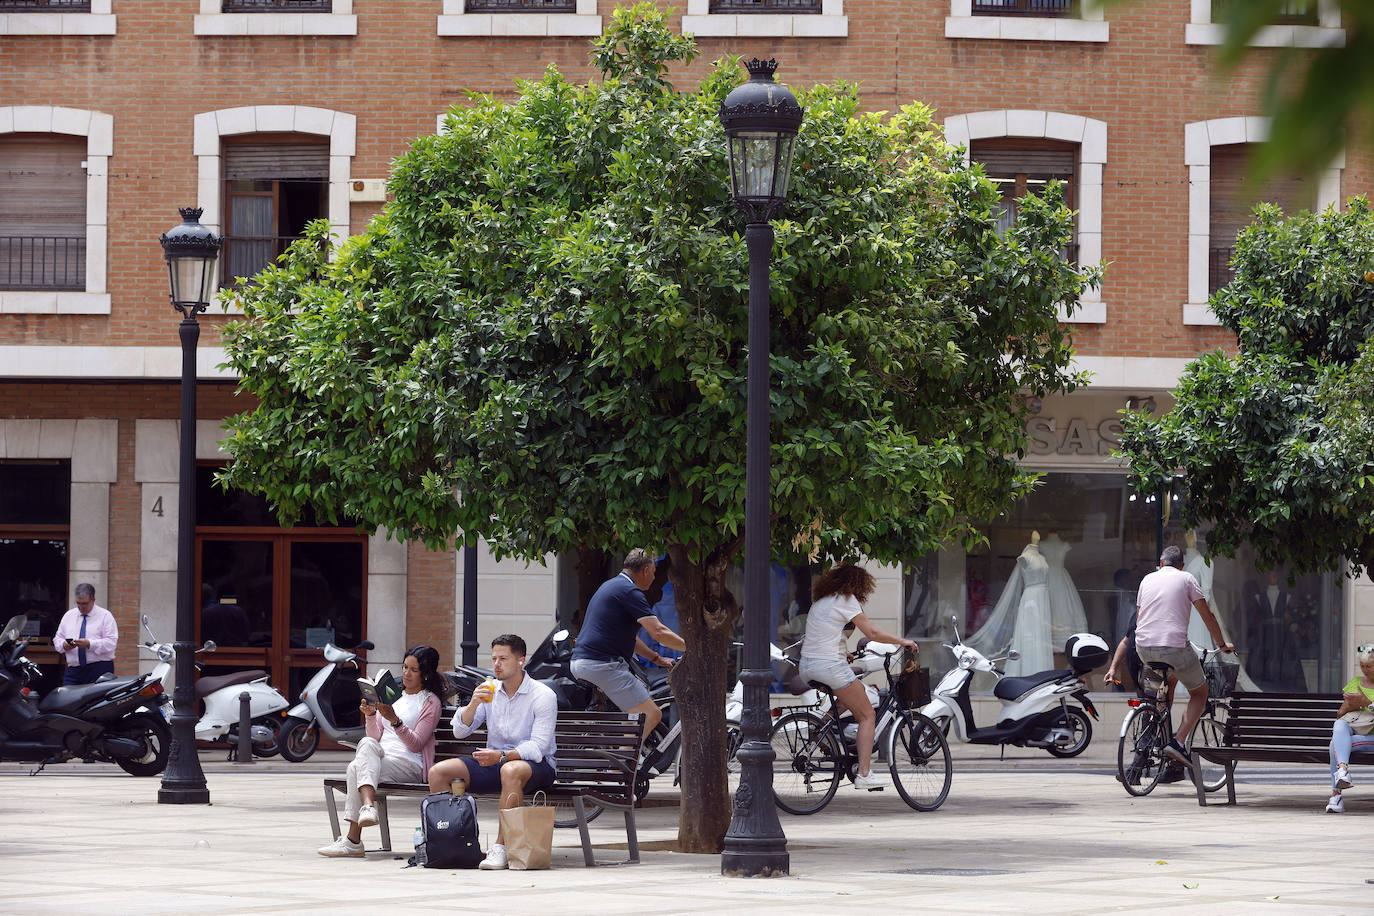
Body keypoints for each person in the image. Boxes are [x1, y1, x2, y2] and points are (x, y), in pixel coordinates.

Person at [428, 634, 558, 870]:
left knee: (510, 770)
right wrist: (474, 703)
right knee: (439, 772)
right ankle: (455, 843)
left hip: (536, 766)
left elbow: (538, 747)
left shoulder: (543, 695)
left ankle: (501, 847)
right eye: (494, 658)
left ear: (521, 661)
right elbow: (459, 731)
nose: (496, 664)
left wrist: (501, 757)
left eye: (503, 659)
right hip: (496, 762)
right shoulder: (488, 691)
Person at [318, 645, 449, 858]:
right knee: (363, 752)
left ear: (425, 674)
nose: (406, 673)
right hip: (380, 759)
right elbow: (375, 737)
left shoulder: (430, 702)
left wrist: (395, 721)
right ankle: (367, 809)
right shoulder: (392, 695)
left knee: (355, 767)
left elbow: (415, 744)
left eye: (413, 670)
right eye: (405, 667)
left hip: (410, 764)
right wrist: (371, 715)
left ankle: (353, 840)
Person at [799, 563, 917, 791]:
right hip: (830, 667)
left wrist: (847, 652)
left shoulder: (820, 602)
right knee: (867, 715)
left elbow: (826, 635)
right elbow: (871, 632)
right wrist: (902, 641)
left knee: (854, 695)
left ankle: (821, 728)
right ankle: (864, 774)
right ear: (856, 584)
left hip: (807, 667)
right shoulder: (846, 599)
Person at [1133, 545, 1234, 769]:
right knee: (1200, 692)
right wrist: (1221, 644)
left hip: (1144, 647)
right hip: (1174, 648)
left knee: (1165, 684)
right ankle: (1177, 742)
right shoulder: (1186, 578)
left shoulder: (1146, 580)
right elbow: (1207, 615)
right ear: (1181, 565)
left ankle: (1158, 732)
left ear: (1161, 563)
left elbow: (1141, 617)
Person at [571, 548, 686, 739]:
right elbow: (658, 632)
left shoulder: (611, 586)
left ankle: (625, 760)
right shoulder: (629, 591)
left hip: (585, 662)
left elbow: (630, 639)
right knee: (651, 714)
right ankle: (621, 768)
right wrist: (691, 648)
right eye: (654, 573)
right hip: (603, 664)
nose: (653, 578)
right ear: (646, 570)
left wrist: (656, 658)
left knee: (632, 717)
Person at [1325, 643, 1374, 814]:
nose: (1365, 670)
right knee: (1339, 725)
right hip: (1357, 733)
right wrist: (1348, 706)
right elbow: (1340, 715)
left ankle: (1336, 796)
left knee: (1334, 746)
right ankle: (1343, 771)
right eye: (1362, 666)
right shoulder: (1355, 683)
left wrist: (1366, 704)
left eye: (1369, 666)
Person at [52, 583, 118, 686]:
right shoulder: (69, 616)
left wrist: (89, 644)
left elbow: (111, 643)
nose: (80, 607)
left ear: (93, 600)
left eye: (84, 603)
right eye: (78, 603)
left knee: (97, 701)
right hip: (74, 669)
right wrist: (64, 645)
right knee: (68, 699)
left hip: (99, 668)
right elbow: (57, 639)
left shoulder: (105, 616)